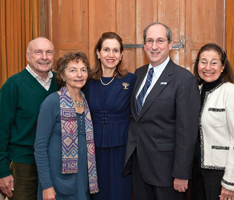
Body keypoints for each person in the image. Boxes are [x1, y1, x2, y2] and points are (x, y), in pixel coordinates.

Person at [123, 22, 200, 200]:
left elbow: (187, 132)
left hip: (167, 172)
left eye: (160, 41)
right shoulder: (139, 73)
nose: (154, 46)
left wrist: (181, 173)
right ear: (144, 45)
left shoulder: (184, 79)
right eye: (149, 41)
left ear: (170, 44)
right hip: (140, 168)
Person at [0, 37, 59, 199]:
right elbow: (1, 130)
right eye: (38, 52)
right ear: (27, 56)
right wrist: (2, 171)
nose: (44, 57)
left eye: (49, 52)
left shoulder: (60, 83)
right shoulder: (13, 85)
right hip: (23, 165)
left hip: (52, 164)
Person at [34, 52, 98, 200]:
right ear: (62, 75)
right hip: (56, 184)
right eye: (73, 70)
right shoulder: (52, 102)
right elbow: (40, 148)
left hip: (82, 182)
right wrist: (47, 186)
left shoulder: (85, 102)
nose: (79, 74)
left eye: (83, 70)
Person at [83, 32, 136, 200]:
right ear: (98, 53)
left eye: (115, 50)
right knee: (97, 193)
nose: (111, 55)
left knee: (120, 192)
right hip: (93, 148)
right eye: (106, 49)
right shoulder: (86, 80)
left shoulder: (131, 79)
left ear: (121, 55)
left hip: (122, 147)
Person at [190, 43, 234, 200]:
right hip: (197, 173)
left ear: (223, 66)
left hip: (220, 174)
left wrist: (230, 183)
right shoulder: (196, 92)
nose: (208, 67)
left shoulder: (231, 92)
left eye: (214, 62)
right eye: (203, 62)